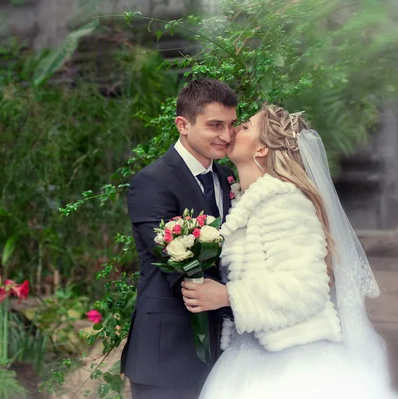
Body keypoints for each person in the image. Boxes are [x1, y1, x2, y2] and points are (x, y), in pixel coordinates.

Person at [182, 104, 397, 398]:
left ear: (261, 150)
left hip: (292, 364)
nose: (233, 130)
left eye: (245, 127)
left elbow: (306, 289)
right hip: (247, 356)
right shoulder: (247, 202)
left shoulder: (285, 203)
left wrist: (227, 295)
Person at [120, 79, 238, 399]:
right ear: (182, 124)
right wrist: (245, 295)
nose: (226, 136)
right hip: (168, 353)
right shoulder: (151, 182)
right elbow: (180, 262)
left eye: (231, 125)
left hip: (227, 353)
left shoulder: (227, 176)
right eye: (215, 125)